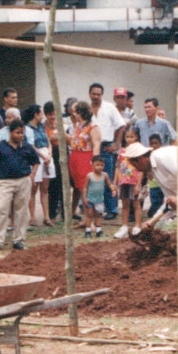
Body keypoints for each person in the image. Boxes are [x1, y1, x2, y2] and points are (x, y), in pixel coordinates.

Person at [0, 119, 39, 251]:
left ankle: (19, 240)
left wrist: (32, 175)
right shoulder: (0, 146)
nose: (20, 135)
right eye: (18, 132)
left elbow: (36, 161)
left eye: (22, 133)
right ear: (10, 132)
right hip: (5, 181)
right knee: (1, 209)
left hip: (23, 180)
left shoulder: (27, 146)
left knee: (21, 211)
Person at [88, 83, 126, 220]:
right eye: (94, 94)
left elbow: (121, 125)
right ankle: (94, 208)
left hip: (106, 147)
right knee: (92, 179)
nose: (96, 96)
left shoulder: (109, 108)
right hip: (91, 147)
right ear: (89, 94)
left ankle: (112, 209)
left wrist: (117, 144)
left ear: (102, 95)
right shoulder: (87, 110)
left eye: (99, 94)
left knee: (107, 178)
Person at [68, 103, 102, 223]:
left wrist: (95, 162)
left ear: (81, 113)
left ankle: (89, 219)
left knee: (86, 188)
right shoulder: (79, 126)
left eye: (75, 112)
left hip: (85, 157)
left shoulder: (93, 127)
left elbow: (96, 144)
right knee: (78, 186)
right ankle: (82, 217)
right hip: (75, 157)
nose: (74, 114)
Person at [114, 126, 144, 239]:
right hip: (123, 181)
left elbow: (141, 169)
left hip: (134, 180)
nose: (129, 139)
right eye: (127, 137)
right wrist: (115, 182)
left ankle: (137, 226)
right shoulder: (122, 151)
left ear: (136, 137)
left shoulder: (139, 150)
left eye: (132, 137)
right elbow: (118, 167)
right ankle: (124, 227)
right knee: (125, 204)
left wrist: (139, 183)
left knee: (136, 203)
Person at [81, 155, 112, 238]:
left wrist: (113, 189)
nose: (100, 167)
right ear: (92, 165)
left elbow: (109, 184)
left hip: (99, 200)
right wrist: (84, 198)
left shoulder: (105, 175)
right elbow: (85, 188)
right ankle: (88, 232)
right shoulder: (89, 176)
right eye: (97, 165)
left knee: (98, 215)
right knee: (89, 214)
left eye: (102, 165)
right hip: (90, 199)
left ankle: (99, 231)